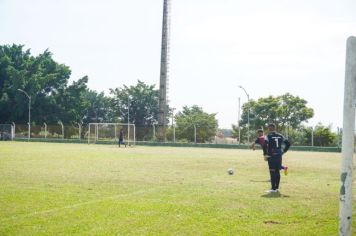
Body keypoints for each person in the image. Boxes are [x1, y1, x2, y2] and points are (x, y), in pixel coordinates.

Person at [264, 124, 291, 193]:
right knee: (277, 171)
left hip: (271, 155)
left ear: (269, 129)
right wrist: (283, 151)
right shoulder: (280, 135)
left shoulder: (268, 136)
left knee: (272, 171)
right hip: (279, 154)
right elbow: (288, 143)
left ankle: (273, 189)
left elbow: (265, 145)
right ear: (275, 128)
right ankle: (277, 188)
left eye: (268, 128)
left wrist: (265, 154)